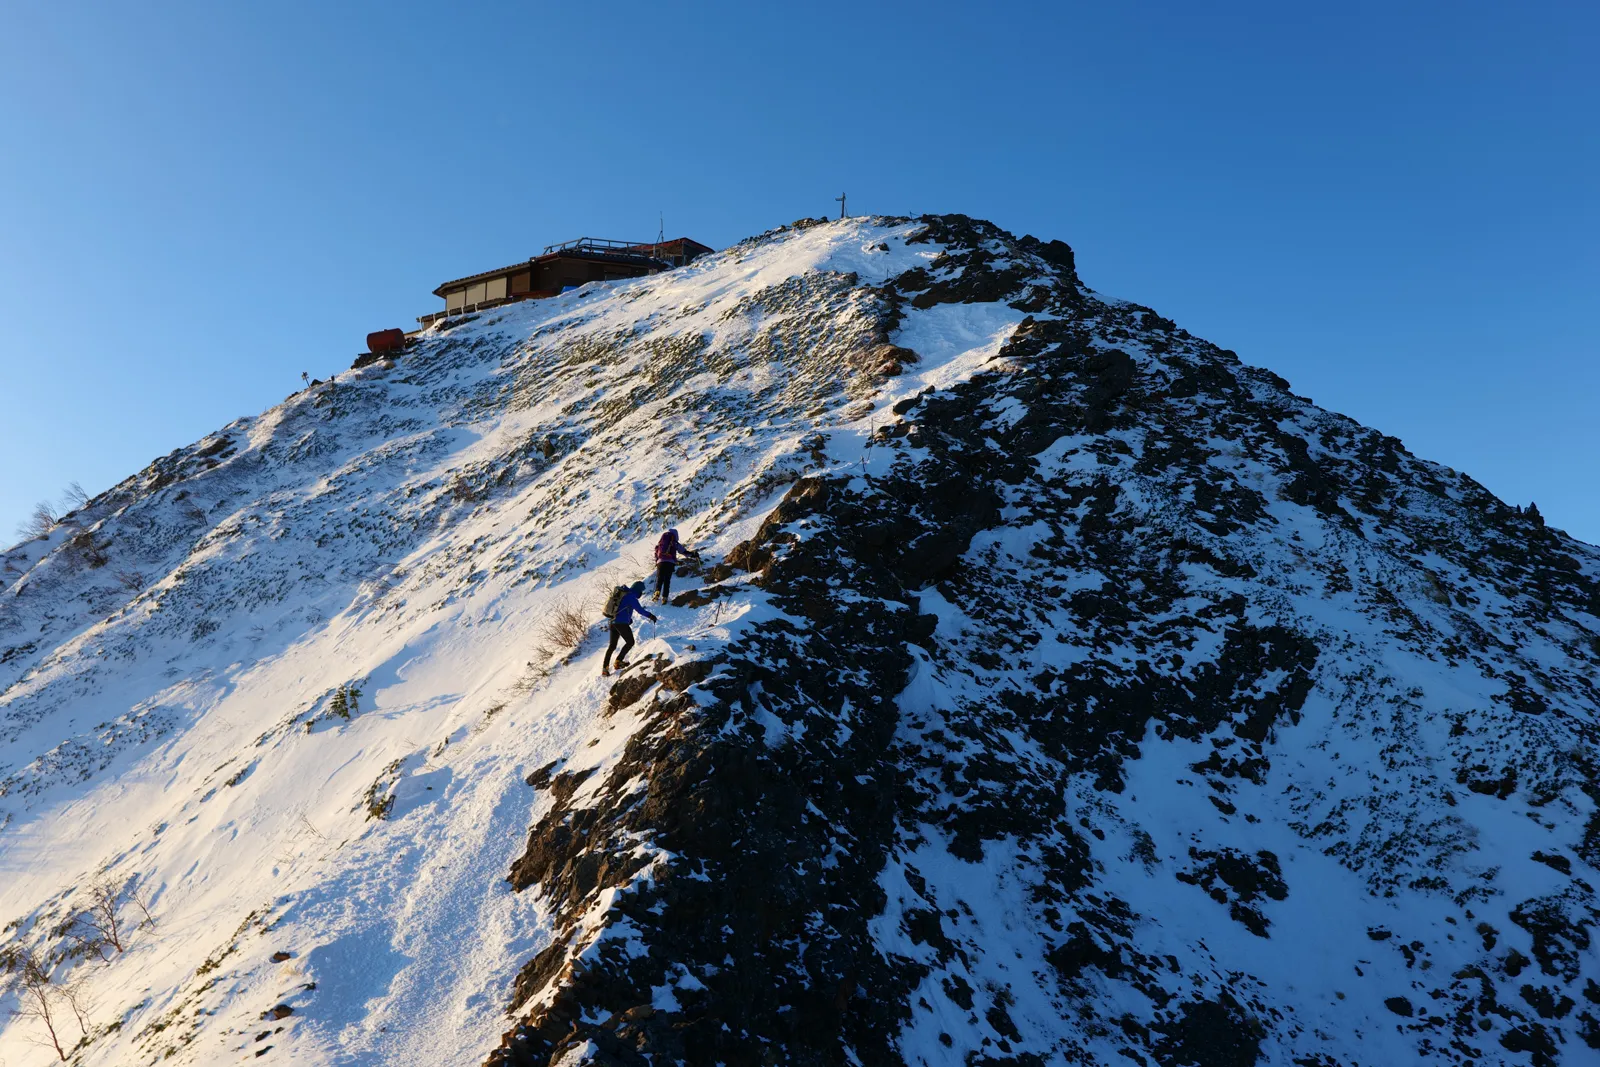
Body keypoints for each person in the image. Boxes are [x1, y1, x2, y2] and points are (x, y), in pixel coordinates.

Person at [603, 581, 656, 675]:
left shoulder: (624, 594)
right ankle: (618, 661)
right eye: (641, 591)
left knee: (612, 646)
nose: (641, 593)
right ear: (638, 590)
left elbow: (622, 609)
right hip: (621, 623)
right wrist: (650, 616)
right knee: (630, 642)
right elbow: (640, 610)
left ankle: (605, 669)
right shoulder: (631, 597)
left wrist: (628, 620)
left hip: (613, 622)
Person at [652, 528, 702, 603]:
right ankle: (665, 597)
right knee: (667, 580)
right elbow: (684, 552)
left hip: (660, 562)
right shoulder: (674, 542)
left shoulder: (660, 543)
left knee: (660, 579)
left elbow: (656, 553)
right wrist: (693, 554)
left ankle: (657, 592)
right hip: (670, 563)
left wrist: (657, 562)